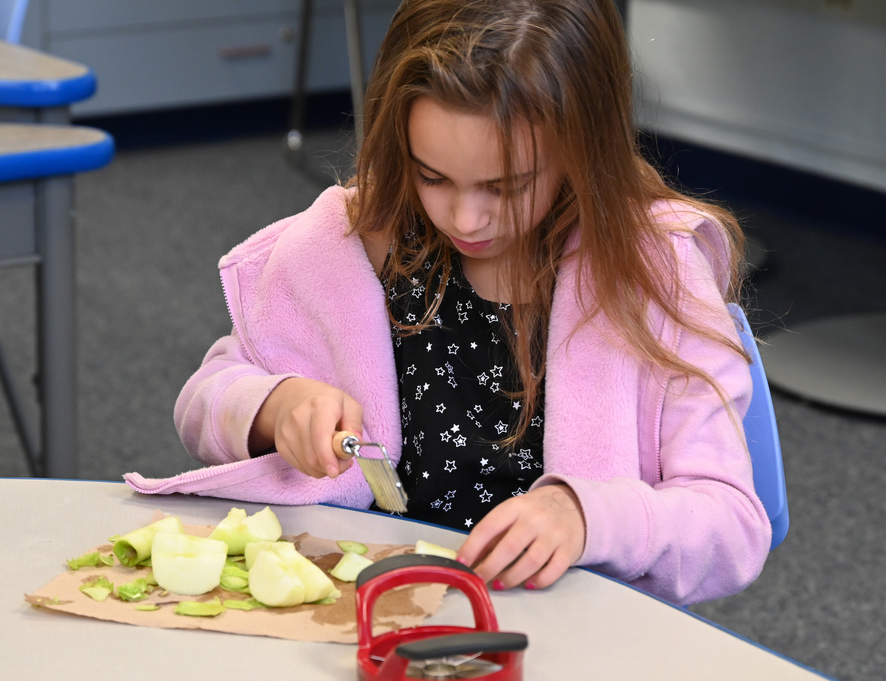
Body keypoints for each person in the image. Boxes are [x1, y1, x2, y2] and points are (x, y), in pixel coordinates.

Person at [171, 0, 771, 605]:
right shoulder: (352, 245)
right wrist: (275, 405)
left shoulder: (654, 273)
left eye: (504, 186)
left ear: (582, 147)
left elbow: (730, 528)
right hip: (369, 609)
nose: (464, 218)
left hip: (563, 631)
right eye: (431, 176)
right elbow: (205, 397)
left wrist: (589, 516)